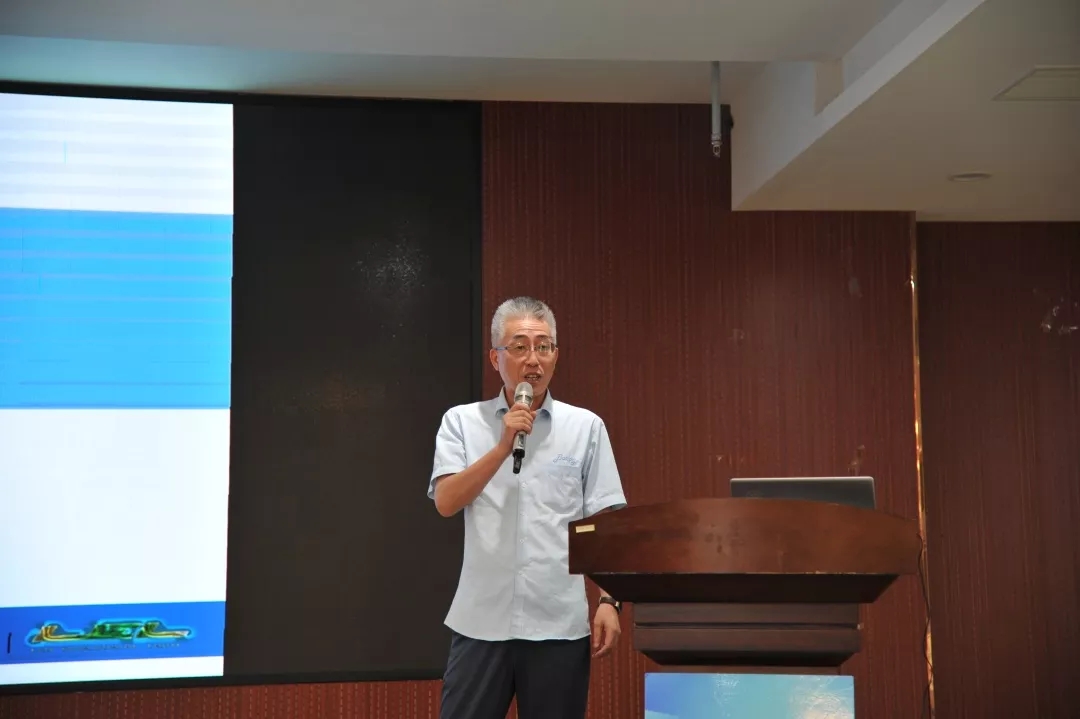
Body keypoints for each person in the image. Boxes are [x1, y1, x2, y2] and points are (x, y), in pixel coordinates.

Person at [428, 296, 628, 719]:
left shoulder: (585, 427)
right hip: (481, 623)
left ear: (556, 355)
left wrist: (610, 600)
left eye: (544, 346)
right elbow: (446, 501)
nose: (533, 359)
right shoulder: (461, 422)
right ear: (495, 358)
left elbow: (606, 522)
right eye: (519, 347)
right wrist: (502, 446)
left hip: (557, 624)